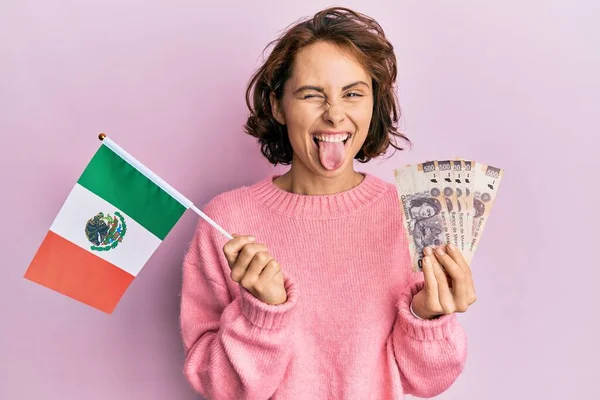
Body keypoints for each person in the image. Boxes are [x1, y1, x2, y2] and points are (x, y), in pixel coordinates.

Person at [180, 6, 476, 399]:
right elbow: (216, 385)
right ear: (277, 106)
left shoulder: (413, 214)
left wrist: (428, 318)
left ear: (374, 104)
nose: (335, 114)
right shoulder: (227, 220)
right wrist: (261, 316)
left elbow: (427, 381)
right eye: (311, 95)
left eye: (353, 93)